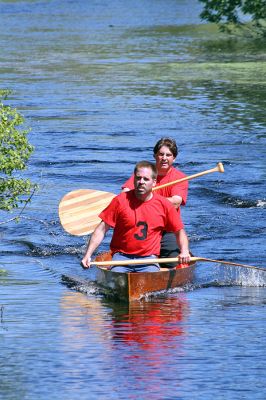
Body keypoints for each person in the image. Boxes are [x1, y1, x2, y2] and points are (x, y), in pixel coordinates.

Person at [81, 160, 190, 272]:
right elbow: (101, 230)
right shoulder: (120, 201)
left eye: (146, 179)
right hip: (121, 258)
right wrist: (87, 255)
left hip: (148, 260)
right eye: (138, 178)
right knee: (117, 274)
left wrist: (185, 251)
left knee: (150, 277)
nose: (141, 182)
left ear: (154, 182)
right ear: (134, 180)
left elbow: (179, 232)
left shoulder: (164, 204)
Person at [121, 137, 189, 267]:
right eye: (161, 154)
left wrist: (148, 197)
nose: (164, 158)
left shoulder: (180, 177)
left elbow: (175, 202)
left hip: (167, 229)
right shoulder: (144, 174)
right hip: (143, 227)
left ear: (174, 158)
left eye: (168, 155)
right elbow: (125, 193)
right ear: (155, 156)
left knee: (172, 264)